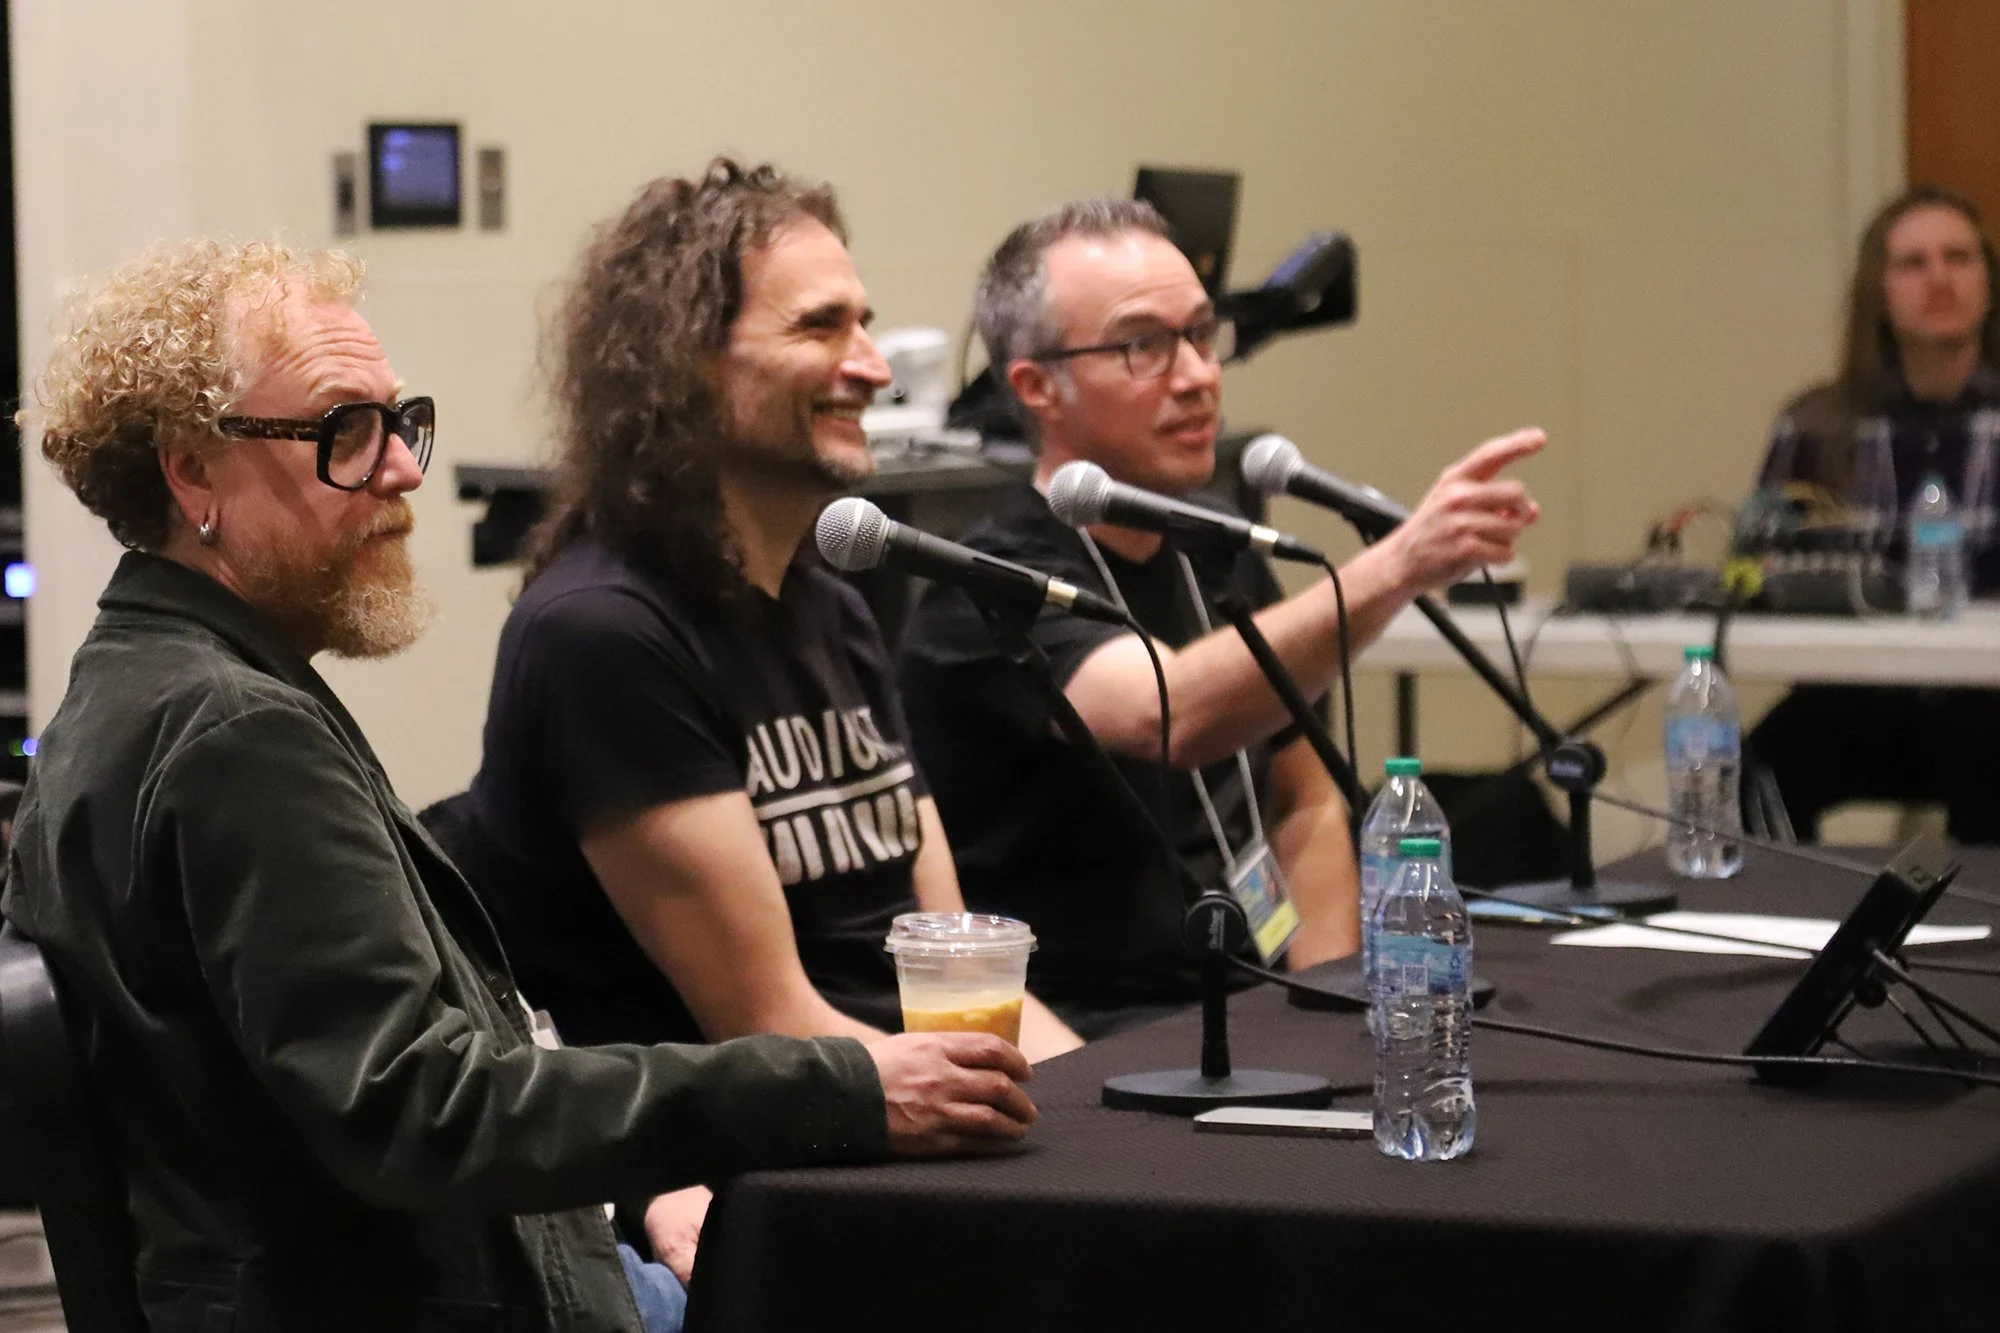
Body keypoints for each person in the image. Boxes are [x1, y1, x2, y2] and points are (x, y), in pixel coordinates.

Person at [5, 238, 1036, 1332]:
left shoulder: (148, 681)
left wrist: (628, 1198)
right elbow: (423, 1110)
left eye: (400, 423)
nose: (402, 470)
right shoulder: (232, 730)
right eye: (344, 432)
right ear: (192, 469)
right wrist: (841, 1091)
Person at [457, 159, 1081, 1065]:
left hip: (912, 1099)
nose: (871, 368)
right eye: (821, 328)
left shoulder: (834, 606)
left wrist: (1101, 1106)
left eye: (863, 324)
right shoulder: (604, 635)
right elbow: (770, 1022)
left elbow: (956, 966)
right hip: (767, 1151)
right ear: (687, 366)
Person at [897, 199, 1543, 1038]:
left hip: (1252, 1009)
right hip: (1096, 1040)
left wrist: (1321, 1008)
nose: (1198, 374)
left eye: (1202, 333)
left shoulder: (1219, 548)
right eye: (1143, 346)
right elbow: (1173, 712)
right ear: (1035, 386)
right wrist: (1397, 564)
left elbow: (1305, 799)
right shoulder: (985, 587)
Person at [1746, 185, 2000, 844]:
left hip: (1991, 697)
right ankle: (1792, 932)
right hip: (1861, 694)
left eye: (1959, 257)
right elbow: (1756, 567)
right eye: (1913, 263)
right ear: (1878, 291)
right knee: (1757, 768)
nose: (1939, 278)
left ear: (1988, 280)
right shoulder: (1819, 424)